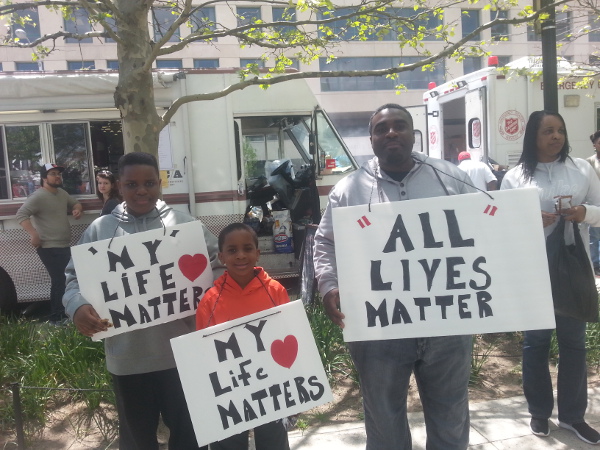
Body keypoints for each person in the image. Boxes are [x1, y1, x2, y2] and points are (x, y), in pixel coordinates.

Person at [313, 103, 476, 450]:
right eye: (381, 128)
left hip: (445, 326)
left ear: (413, 133)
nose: (391, 133)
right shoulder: (349, 189)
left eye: (399, 126)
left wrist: (519, 220)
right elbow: (325, 242)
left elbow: (485, 230)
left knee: (451, 419)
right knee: (384, 424)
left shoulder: (452, 179)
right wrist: (328, 284)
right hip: (380, 330)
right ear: (371, 139)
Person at [63, 152, 222, 450]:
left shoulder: (185, 226)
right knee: (137, 440)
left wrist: (211, 295)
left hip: (183, 355)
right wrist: (77, 306)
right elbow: (73, 280)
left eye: (149, 183)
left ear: (159, 184)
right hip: (128, 360)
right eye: (131, 184)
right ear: (119, 187)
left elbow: (218, 268)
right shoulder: (99, 230)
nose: (141, 191)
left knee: (190, 436)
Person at [500, 110, 600, 445]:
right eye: (547, 131)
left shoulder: (582, 169)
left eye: (560, 130)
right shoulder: (515, 177)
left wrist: (586, 213)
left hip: (574, 271)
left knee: (573, 345)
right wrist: (529, 219)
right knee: (536, 344)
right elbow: (501, 223)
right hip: (534, 272)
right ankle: (539, 413)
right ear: (533, 136)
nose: (555, 137)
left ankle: (572, 416)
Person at [196, 223, 290, 450]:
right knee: (228, 445)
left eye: (247, 248)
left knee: (273, 442)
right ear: (221, 257)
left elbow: (290, 336)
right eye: (232, 250)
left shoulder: (276, 291)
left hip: (271, 387)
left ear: (258, 253)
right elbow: (202, 351)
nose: (240, 255)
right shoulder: (211, 299)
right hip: (230, 392)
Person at [16, 163, 83, 322]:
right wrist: (33, 234)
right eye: (53, 174)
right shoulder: (38, 196)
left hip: (63, 245)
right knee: (60, 280)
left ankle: (64, 314)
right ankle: (56, 318)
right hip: (48, 247)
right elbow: (21, 215)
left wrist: (77, 209)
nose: (57, 176)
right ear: (44, 178)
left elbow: (75, 203)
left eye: (58, 174)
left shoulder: (62, 193)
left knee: (66, 279)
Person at [586, 130, 600, 276]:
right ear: (594, 145)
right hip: (596, 203)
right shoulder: (589, 162)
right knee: (595, 235)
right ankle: (596, 263)